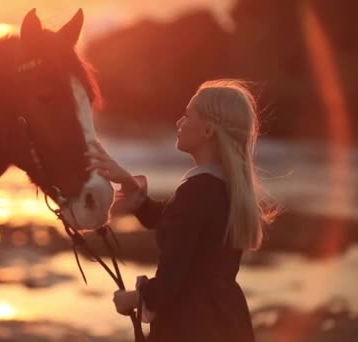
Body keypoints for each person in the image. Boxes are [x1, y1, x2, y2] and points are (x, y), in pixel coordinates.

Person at [86, 79, 278, 342]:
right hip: (225, 317)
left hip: (191, 325)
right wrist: (132, 187)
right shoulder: (223, 187)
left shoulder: (196, 192)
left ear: (208, 130)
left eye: (187, 116)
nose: (178, 123)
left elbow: (169, 283)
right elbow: (176, 222)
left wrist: (131, 299)